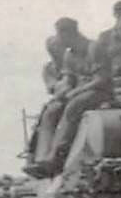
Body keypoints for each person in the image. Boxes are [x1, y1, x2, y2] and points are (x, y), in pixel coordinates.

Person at [24, 18, 94, 177]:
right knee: (50, 112)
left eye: (57, 47)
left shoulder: (85, 51)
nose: (55, 51)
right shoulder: (51, 67)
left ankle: (53, 157)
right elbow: (57, 85)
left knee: (61, 110)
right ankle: (40, 157)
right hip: (69, 94)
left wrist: (69, 89)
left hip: (84, 92)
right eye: (52, 49)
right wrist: (63, 91)